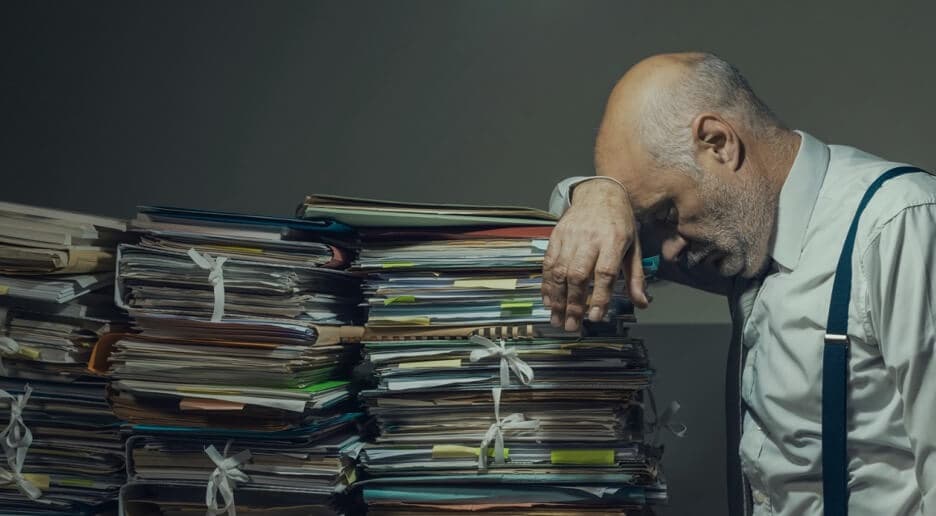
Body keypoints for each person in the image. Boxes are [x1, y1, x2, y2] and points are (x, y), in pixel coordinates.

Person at [543, 52, 936, 516]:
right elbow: (577, 230)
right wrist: (596, 195)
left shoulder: (898, 226)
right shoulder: (741, 239)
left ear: (719, 143)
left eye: (667, 213)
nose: (666, 252)